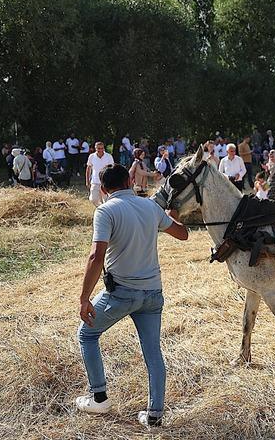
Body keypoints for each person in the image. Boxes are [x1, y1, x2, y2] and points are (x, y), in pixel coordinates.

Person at [75, 163, 188, 428]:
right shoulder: (150, 207)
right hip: (152, 294)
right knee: (152, 352)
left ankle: (99, 396)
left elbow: (96, 256)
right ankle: (155, 415)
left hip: (121, 293)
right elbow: (182, 234)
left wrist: (84, 298)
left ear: (103, 189)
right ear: (129, 181)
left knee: (87, 334)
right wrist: (172, 213)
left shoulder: (105, 211)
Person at [86, 142, 114, 206]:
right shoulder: (92, 156)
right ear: (95, 148)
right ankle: (100, 207)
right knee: (93, 199)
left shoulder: (109, 156)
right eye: (98, 148)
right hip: (95, 181)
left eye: (102, 148)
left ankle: (105, 211)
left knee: (107, 200)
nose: (100, 150)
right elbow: (88, 169)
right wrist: (87, 181)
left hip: (106, 182)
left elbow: (112, 169)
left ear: (104, 148)